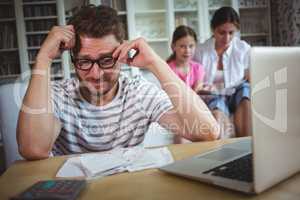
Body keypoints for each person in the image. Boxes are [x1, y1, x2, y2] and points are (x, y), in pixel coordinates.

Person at [17, 5, 220, 160]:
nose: (96, 74)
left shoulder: (139, 92)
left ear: (121, 54)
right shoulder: (58, 95)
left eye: (106, 60)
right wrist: (43, 57)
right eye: (85, 61)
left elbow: (208, 132)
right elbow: (33, 149)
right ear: (73, 59)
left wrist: (155, 62)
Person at [194, 6, 251, 138]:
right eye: (222, 32)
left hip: (236, 93)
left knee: (245, 90)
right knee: (218, 106)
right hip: (213, 95)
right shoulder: (201, 51)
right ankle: (224, 154)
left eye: (231, 33)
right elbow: (196, 81)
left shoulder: (243, 48)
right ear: (213, 29)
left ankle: (247, 149)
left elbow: (251, 77)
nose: (226, 38)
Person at [167, 25, 205, 93]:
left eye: (191, 46)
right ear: (173, 47)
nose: (187, 50)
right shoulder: (168, 69)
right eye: (182, 46)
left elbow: (198, 93)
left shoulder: (198, 68)